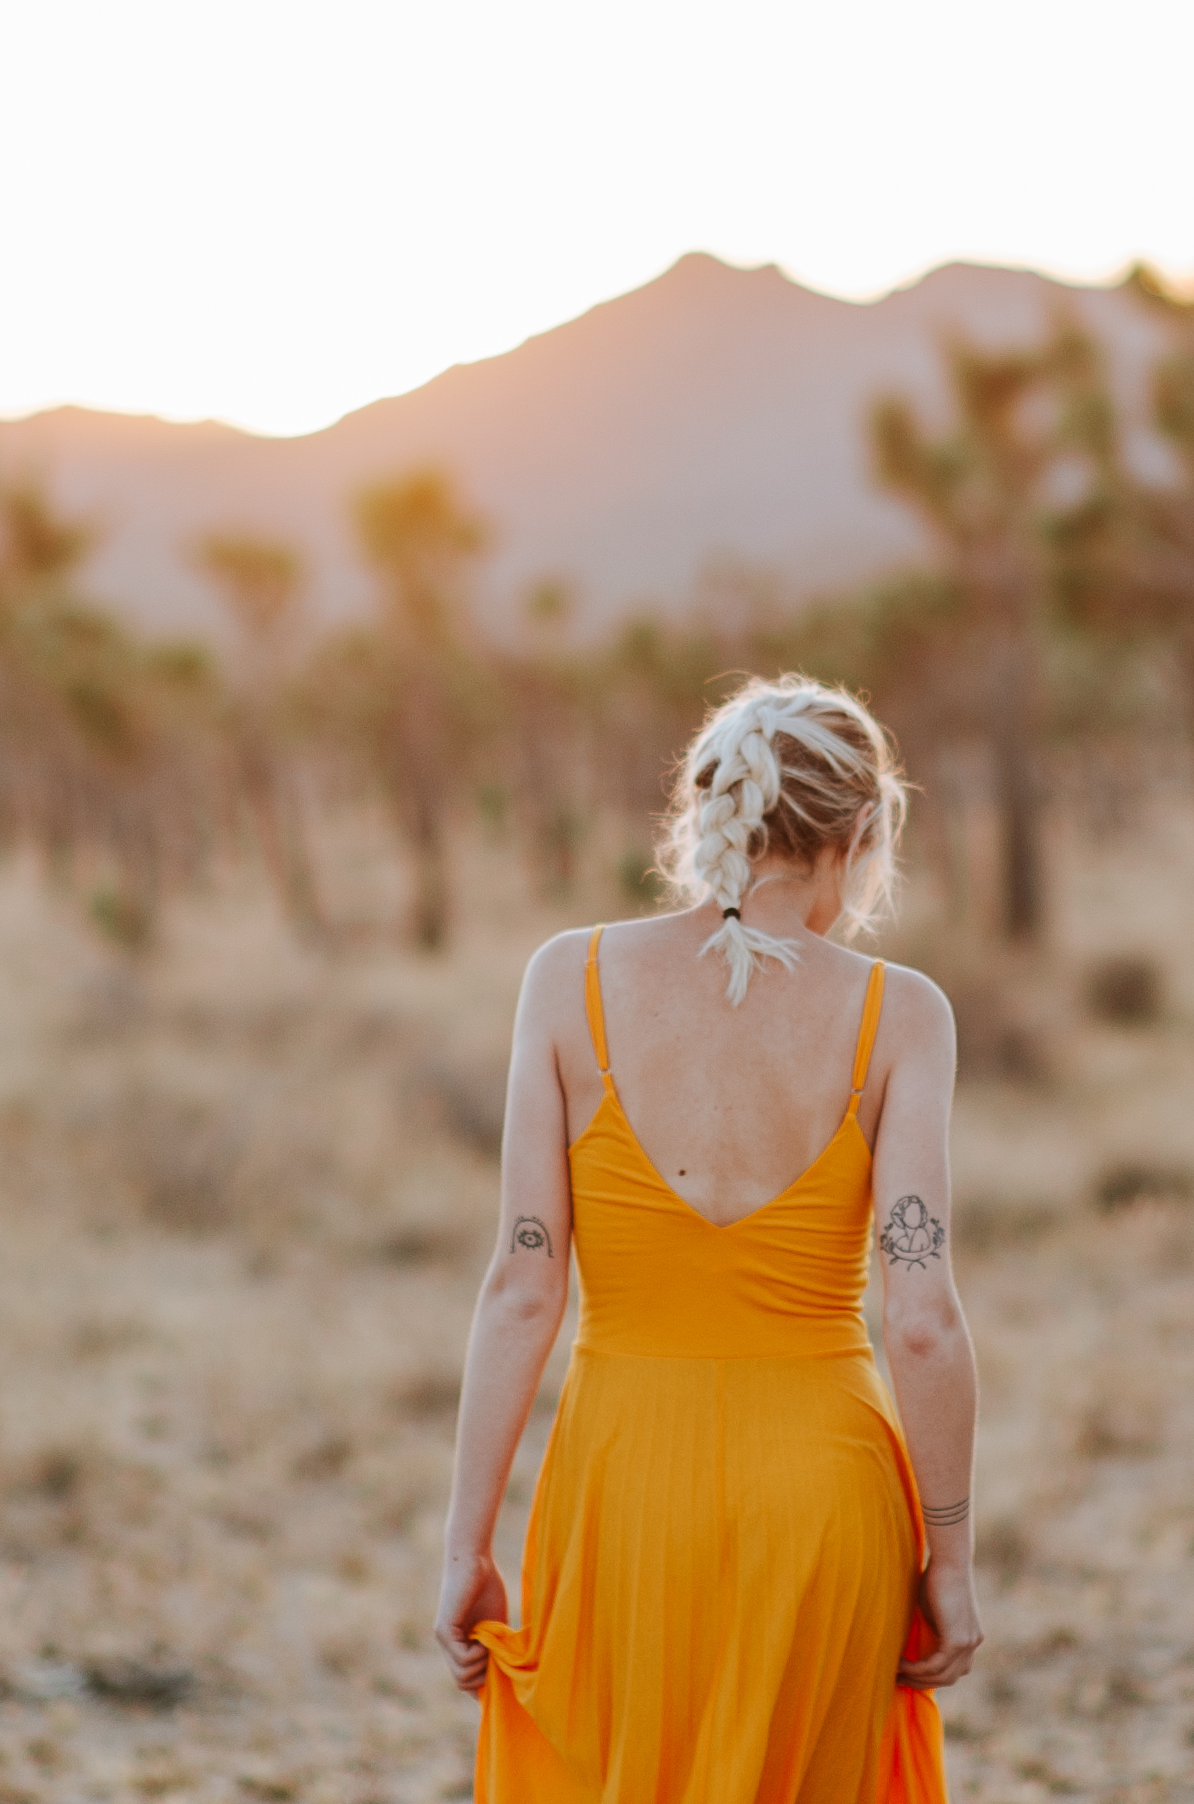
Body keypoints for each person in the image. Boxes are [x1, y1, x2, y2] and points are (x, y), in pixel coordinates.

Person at [434, 675, 981, 1800]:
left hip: (623, 1485)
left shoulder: (566, 978)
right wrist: (953, 1561)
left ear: (705, 812)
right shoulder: (902, 1013)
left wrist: (465, 1547)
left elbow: (520, 1290)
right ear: (863, 833)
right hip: (825, 1500)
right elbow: (919, 1320)